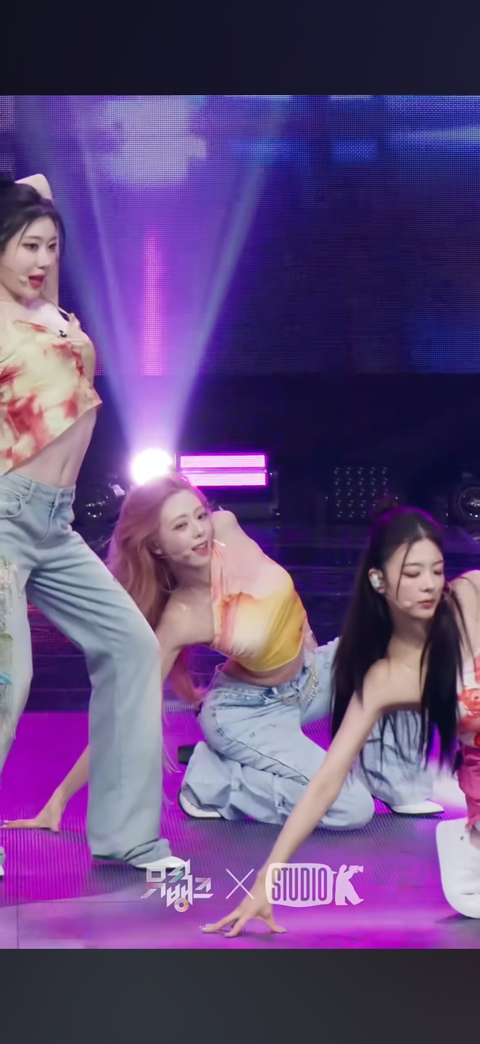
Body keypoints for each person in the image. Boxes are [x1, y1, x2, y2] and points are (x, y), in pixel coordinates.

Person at [4, 477, 443, 840]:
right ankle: (214, 781)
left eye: (199, 515)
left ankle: (395, 779)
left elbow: (275, 592)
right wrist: (59, 800)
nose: (199, 531)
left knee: (393, 648)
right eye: (181, 526)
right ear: (156, 546)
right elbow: (124, 716)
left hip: (313, 677)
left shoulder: (227, 528)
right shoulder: (182, 617)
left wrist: (305, 632)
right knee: (349, 807)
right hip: (247, 713)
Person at [0, 172, 185, 878]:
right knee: (7, 680)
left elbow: (38, 185)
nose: (42, 259)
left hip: (55, 525)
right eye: (27, 246)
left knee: (132, 648)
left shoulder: (49, 310)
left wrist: (33, 210)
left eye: (51, 246)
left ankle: (127, 835)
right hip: (5, 518)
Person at [200, 504, 480, 936]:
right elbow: (326, 782)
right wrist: (265, 883)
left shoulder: (472, 598)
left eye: (437, 570)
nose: (429, 584)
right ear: (379, 581)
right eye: (412, 573)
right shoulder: (385, 678)